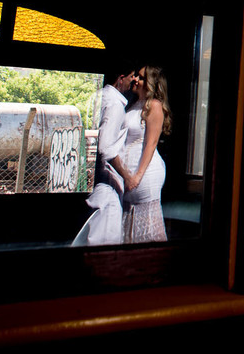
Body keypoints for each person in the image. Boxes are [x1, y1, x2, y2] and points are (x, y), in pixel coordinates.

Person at [72, 70, 134, 246]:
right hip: (107, 181)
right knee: (105, 237)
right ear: (120, 78)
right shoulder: (115, 105)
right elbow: (106, 148)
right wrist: (127, 176)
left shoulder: (99, 96)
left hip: (94, 177)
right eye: (131, 76)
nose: (133, 80)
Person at [122, 65, 172, 243]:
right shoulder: (134, 105)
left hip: (145, 173)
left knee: (147, 227)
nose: (135, 79)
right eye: (136, 75)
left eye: (141, 77)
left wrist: (137, 176)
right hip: (129, 173)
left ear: (151, 83)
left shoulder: (154, 106)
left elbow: (151, 144)